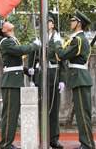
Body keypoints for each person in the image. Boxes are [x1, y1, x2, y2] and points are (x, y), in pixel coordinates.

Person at [0, 20, 41, 149]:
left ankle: (8, 142)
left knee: (14, 114)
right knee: (10, 114)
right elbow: (20, 50)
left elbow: (15, 64)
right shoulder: (6, 42)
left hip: (15, 80)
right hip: (11, 82)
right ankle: (5, 143)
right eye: (5, 22)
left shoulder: (12, 40)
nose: (9, 22)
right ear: (4, 30)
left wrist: (27, 71)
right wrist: (34, 45)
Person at [55, 11, 95, 149]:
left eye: (73, 20)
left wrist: (57, 44)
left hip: (80, 78)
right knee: (82, 113)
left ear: (79, 23)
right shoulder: (78, 39)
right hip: (78, 78)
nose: (71, 22)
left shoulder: (78, 40)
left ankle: (87, 144)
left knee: (83, 113)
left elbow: (62, 55)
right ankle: (85, 142)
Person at [26, 13, 67, 149]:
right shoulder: (37, 39)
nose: (46, 24)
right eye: (44, 22)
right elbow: (31, 59)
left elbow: (63, 62)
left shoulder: (58, 40)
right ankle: (42, 138)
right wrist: (31, 78)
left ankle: (54, 139)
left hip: (53, 75)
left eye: (49, 22)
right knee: (41, 110)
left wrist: (62, 80)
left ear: (53, 24)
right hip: (40, 75)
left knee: (54, 109)